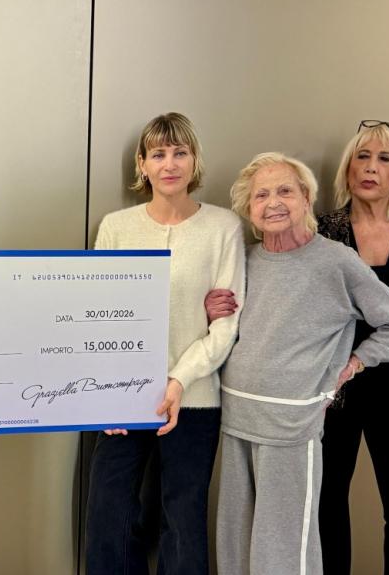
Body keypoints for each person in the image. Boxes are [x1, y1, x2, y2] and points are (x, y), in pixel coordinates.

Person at [216, 152, 389, 575]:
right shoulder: (243, 259)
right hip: (236, 417)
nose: (273, 202)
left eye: (285, 191)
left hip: (292, 425)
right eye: (261, 195)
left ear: (306, 199)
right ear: (248, 209)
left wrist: (356, 362)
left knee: (285, 546)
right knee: (235, 540)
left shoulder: (336, 261)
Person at [85, 112, 245, 574]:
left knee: (183, 518)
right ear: (142, 164)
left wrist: (178, 379)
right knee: (109, 515)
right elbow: (96, 315)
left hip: (194, 397)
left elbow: (225, 327)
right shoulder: (116, 227)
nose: (169, 163)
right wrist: (106, 393)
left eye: (180, 152)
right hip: (123, 398)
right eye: (158, 154)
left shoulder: (224, 227)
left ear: (194, 161)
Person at [317, 120, 389, 575]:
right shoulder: (320, 232)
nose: (371, 168)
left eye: (384, 159)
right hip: (332, 387)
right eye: (362, 157)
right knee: (325, 505)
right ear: (347, 168)